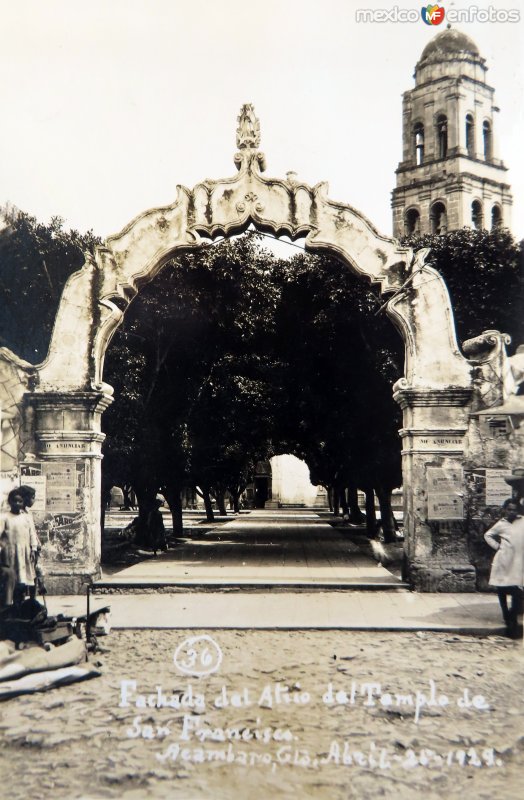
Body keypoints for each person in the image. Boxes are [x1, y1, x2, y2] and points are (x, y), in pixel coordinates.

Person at [484, 498, 524, 637]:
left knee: (518, 591)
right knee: (501, 588)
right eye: (509, 509)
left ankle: (512, 615)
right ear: (505, 510)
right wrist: (497, 546)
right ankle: (506, 614)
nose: (511, 512)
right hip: (504, 560)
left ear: (518, 510)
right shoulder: (501, 524)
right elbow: (488, 535)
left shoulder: (522, 522)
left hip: (519, 561)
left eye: (514, 509)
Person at [0, 489, 40, 607]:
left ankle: (19, 604)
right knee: (12, 579)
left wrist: (33, 548)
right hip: (11, 553)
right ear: (10, 502)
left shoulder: (27, 517)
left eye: (20, 501)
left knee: (23, 579)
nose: (17, 504)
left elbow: (32, 533)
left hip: (24, 553)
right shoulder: (4, 517)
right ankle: (9, 607)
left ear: (23, 502)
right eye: (15, 501)